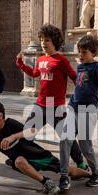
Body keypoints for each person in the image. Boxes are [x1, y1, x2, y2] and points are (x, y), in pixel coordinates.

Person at [0, 101, 91, 195]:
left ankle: (94, 175)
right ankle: (46, 182)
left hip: (38, 155)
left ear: (0, 116)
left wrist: (13, 136)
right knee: (18, 161)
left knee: (69, 171)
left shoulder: (11, 124)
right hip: (22, 162)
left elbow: (32, 131)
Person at [16, 24, 89, 172]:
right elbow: (35, 74)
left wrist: (84, 91)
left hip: (56, 107)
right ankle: (27, 159)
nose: (43, 43)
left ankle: (80, 162)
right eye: (42, 39)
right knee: (27, 133)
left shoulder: (61, 60)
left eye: (47, 40)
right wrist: (21, 64)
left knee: (66, 136)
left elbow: (74, 77)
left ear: (54, 41)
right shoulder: (41, 59)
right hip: (40, 104)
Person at [59, 34, 98, 191]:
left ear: (94, 52)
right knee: (65, 139)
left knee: (85, 145)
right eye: (79, 52)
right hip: (73, 107)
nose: (80, 55)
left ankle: (97, 173)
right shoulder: (80, 67)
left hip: (88, 111)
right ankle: (63, 175)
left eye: (84, 52)